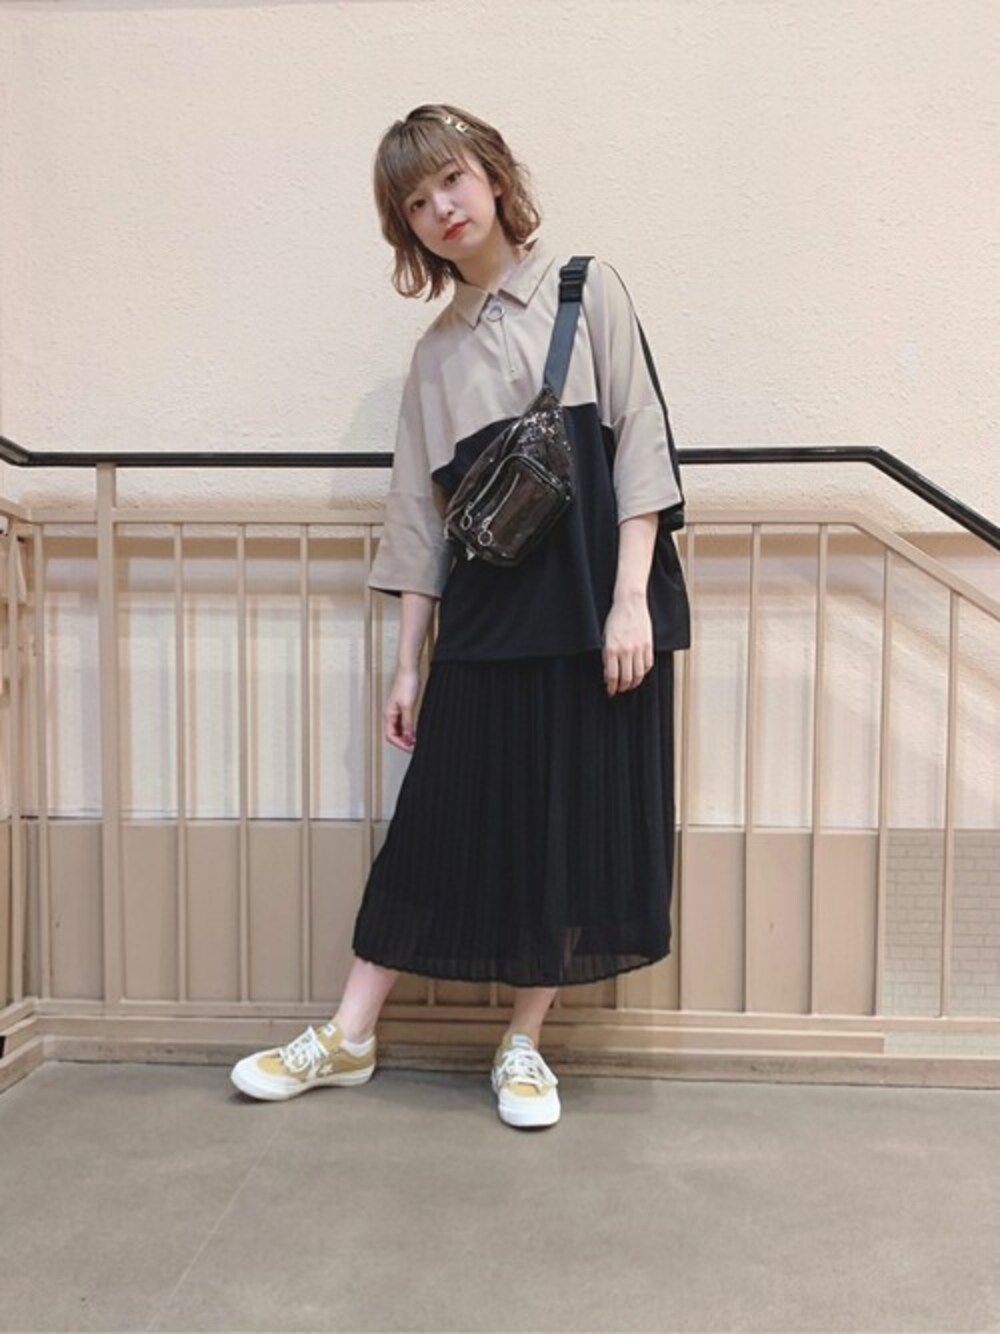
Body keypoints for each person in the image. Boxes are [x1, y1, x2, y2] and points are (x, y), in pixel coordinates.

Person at [231, 103, 691, 1129]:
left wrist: (629, 601)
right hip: (487, 622)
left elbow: (640, 442)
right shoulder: (434, 357)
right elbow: (417, 520)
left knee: (563, 835)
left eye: (450, 179)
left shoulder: (584, 287)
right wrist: (408, 665)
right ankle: (349, 1034)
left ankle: (523, 1043)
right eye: (414, 201)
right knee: (434, 825)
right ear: (407, 229)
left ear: (492, 176)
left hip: (591, 613)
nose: (440, 206)